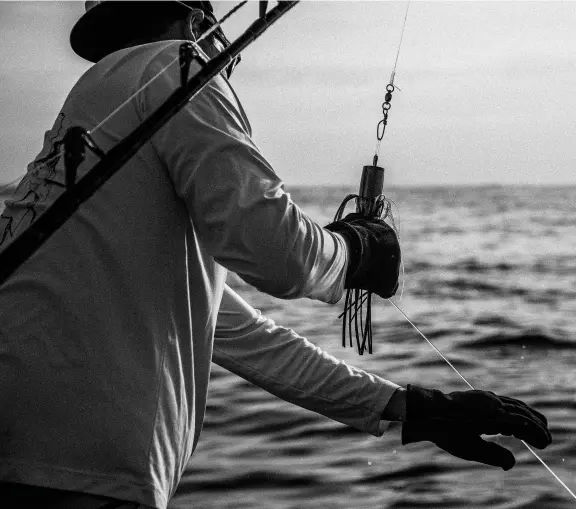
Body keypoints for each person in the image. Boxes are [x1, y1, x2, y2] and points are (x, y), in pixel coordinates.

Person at [0, 2, 552, 508]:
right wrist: (358, 248)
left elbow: (247, 338)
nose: (224, 66)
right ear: (199, 27)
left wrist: (413, 408)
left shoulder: (89, 117)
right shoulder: (177, 66)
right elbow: (278, 255)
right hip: (86, 472)